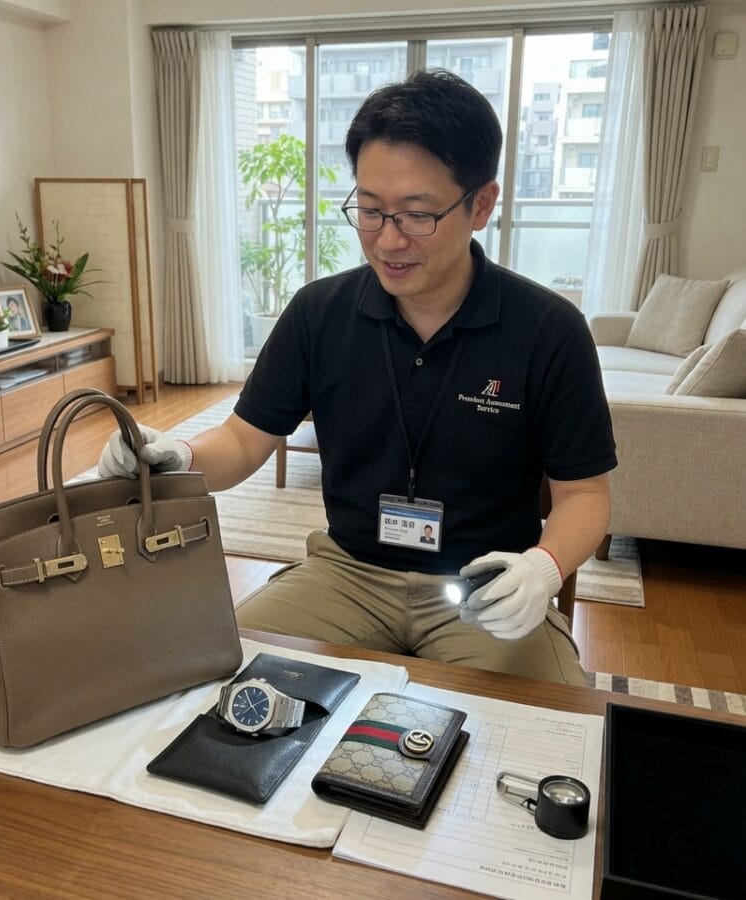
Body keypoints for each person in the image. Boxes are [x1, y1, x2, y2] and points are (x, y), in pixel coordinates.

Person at [98, 69, 616, 685]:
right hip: (345, 575)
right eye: (370, 211)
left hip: (482, 586)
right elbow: (243, 440)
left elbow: (585, 495)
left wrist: (543, 567)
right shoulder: (319, 313)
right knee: (221, 683)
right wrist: (177, 457)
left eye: (416, 215)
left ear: (481, 204)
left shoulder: (549, 329)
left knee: (548, 726)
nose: (387, 241)